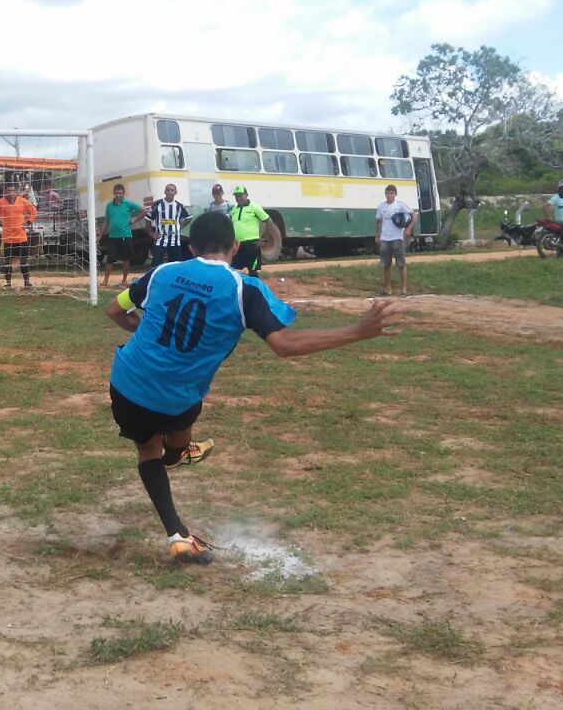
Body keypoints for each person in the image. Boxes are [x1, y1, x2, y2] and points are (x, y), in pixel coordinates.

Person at [106, 211, 402, 563]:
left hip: (126, 384)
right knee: (175, 422)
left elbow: (115, 310)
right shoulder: (245, 289)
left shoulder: (162, 272)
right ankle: (176, 456)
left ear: (190, 247)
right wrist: (356, 331)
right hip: (177, 397)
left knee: (148, 448)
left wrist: (146, 333)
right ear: (234, 246)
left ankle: (177, 533)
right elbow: (285, 344)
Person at [0, 182, 38, 288]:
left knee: (23, 260)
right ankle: (8, 283)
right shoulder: (0, 202)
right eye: (9, 191)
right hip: (8, 238)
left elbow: (34, 211)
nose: (11, 193)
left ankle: (27, 282)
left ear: (16, 191)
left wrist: (28, 222)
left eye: (13, 191)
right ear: (5, 192)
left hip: (21, 237)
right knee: (8, 261)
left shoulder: (22, 201)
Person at [98, 183, 144, 287]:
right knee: (110, 259)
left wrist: (135, 219)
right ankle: (105, 280)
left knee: (126, 258)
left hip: (125, 235)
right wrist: (100, 235)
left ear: (123, 193)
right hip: (113, 236)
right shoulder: (109, 206)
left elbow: (144, 211)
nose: (118, 195)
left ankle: (124, 280)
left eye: (120, 193)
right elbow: (106, 221)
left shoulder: (128, 204)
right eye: (116, 193)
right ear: (114, 194)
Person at [374, 184, 417, 296]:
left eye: (391, 193)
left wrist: (408, 228)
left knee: (401, 264)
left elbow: (414, 215)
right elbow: (378, 221)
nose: (389, 195)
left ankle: (404, 289)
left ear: (395, 194)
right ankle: (387, 288)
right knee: (386, 265)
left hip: (397, 238)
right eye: (387, 193)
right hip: (385, 239)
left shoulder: (400, 205)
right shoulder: (381, 207)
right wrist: (377, 235)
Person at [145, 183, 191, 267]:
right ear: (165, 192)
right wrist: (150, 233)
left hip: (175, 240)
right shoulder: (157, 204)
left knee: (176, 265)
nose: (170, 192)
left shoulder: (179, 206)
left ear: (175, 192)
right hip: (160, 239)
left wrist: (179, 227)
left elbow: (189, 217)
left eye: (172, 190)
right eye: (168, 190)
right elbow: (148, 218)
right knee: (156, 264)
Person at [230, 186, 271, 278]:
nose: (238, 198)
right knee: (236, 272)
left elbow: (269, 222)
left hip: (252, 244)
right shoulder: (234, 209)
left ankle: (256, 290)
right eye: (236, 196)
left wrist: (265, 239)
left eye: (241, 195)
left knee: (252, 272)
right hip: (237, 245)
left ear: (246, 195)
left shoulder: (254, 207)